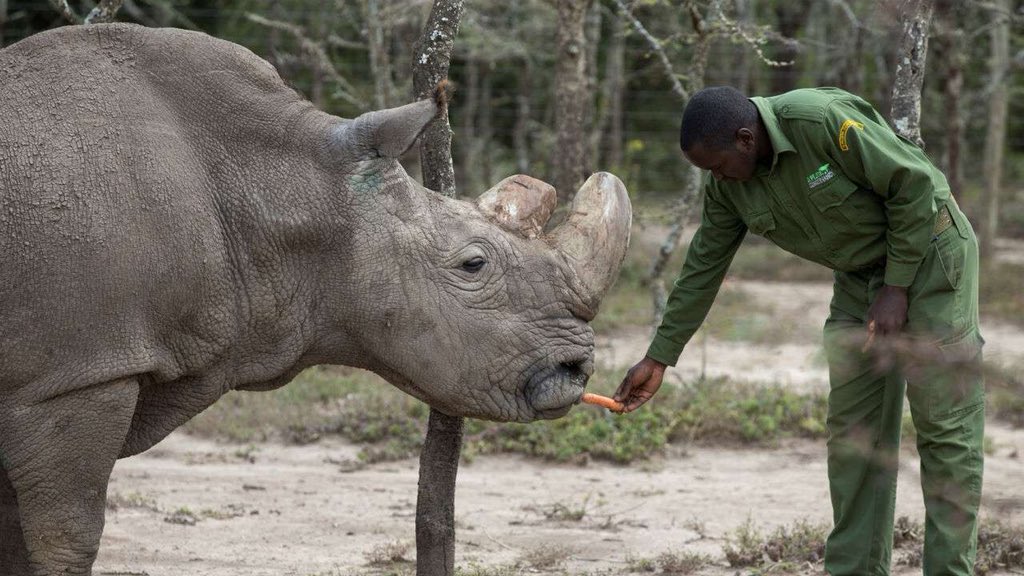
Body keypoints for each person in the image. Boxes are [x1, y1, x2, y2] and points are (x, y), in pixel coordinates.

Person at [614, 86, 984, 576]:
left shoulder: (821, 121)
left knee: (944, 429)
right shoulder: (729, 187)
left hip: (932, 257)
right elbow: (703, 266)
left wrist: (896, 288)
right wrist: (658, 358)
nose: (716, 178)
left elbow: (914, 184)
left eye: (718, 165)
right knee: (855, 434)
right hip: (860, 280)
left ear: (746, 139)